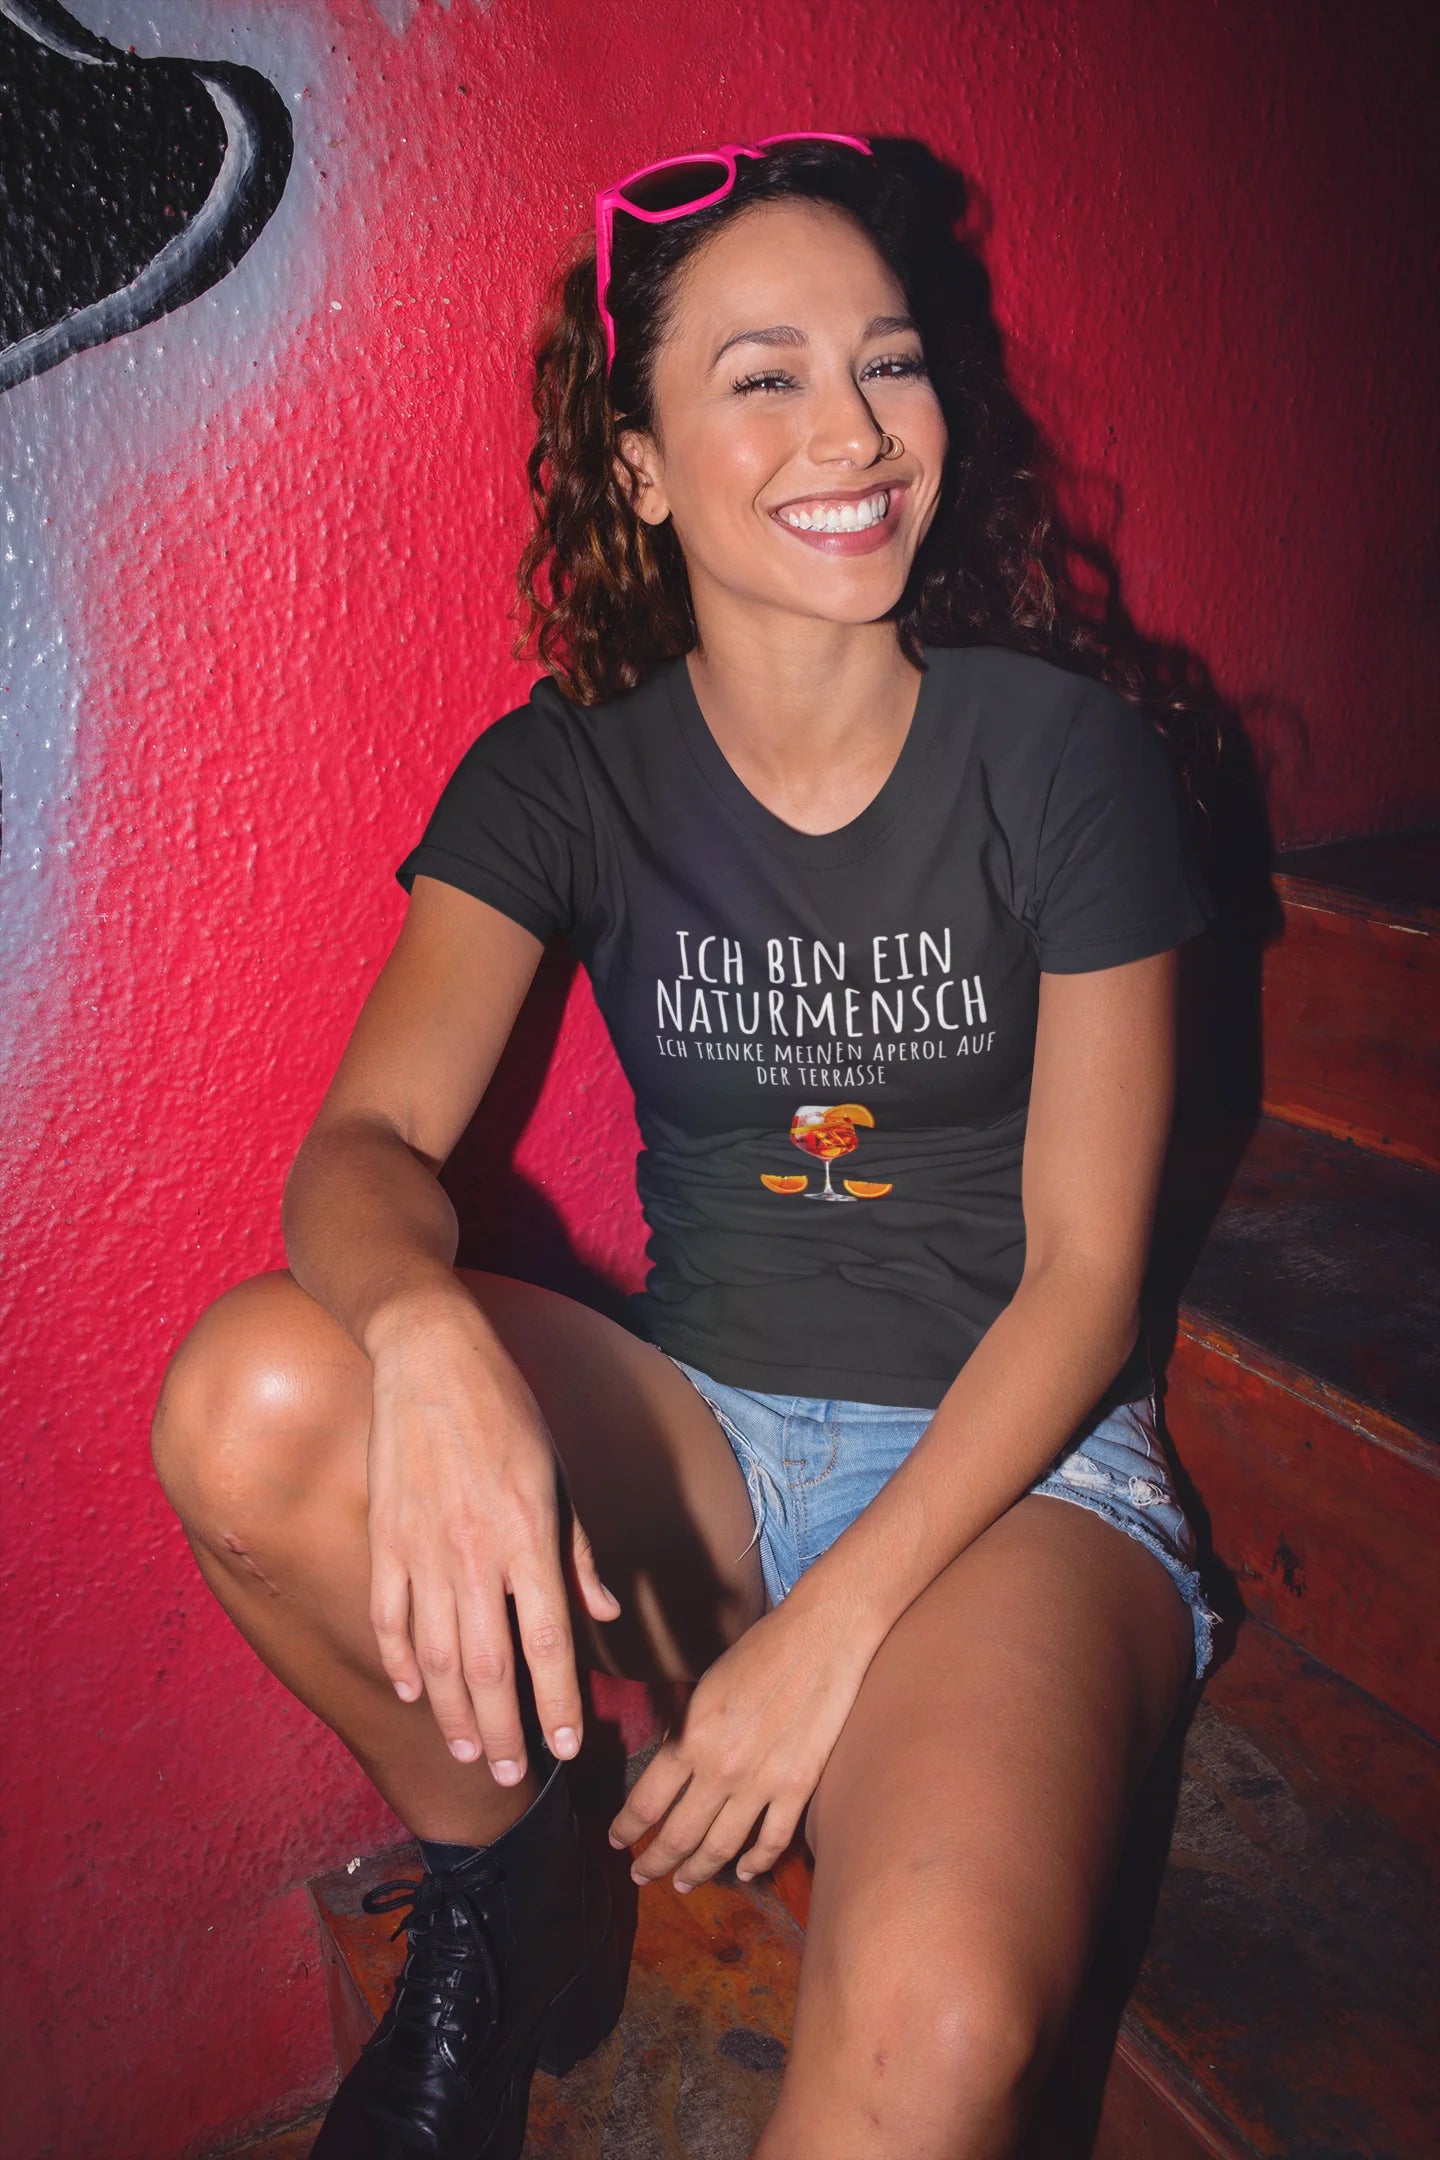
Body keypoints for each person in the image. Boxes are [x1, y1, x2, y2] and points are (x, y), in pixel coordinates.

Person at [151, 134, 1223, 2160]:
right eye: (764, 374)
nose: (856, 430)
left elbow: (1090, 1280)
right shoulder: (566, 769)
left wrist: (833, 1643)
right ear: (634, 463)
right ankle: (507, 1880)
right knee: (257, 1395)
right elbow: (368, 1138)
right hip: (715, 1444)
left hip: (1021, 1476)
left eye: (889, 364)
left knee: (931, 2032)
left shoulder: (1056, 754)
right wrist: (427, 1334)